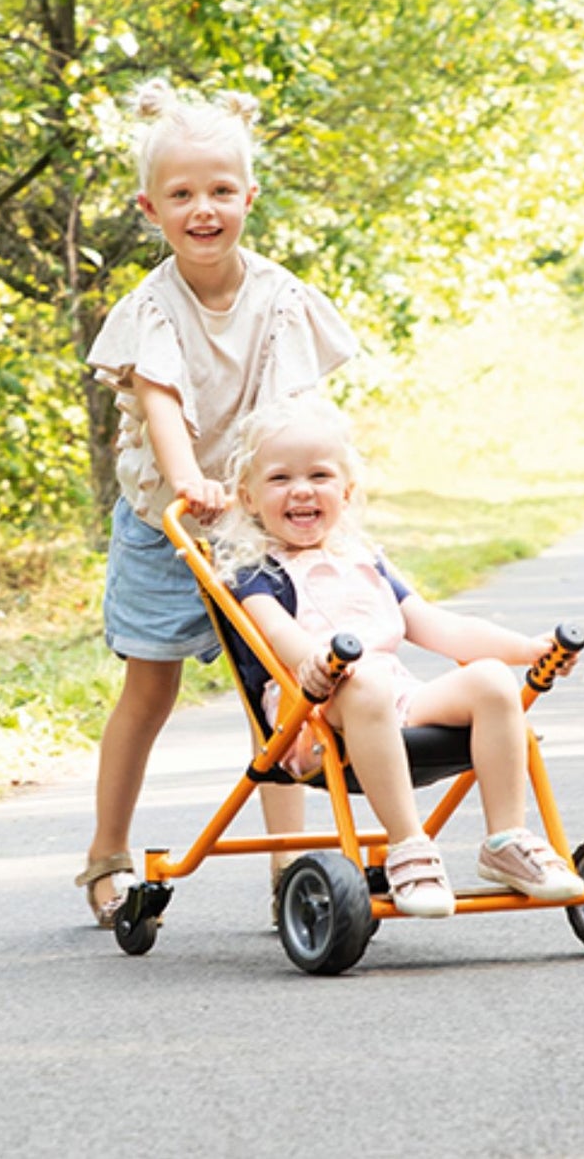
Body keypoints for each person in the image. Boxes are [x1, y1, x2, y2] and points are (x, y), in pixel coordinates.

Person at [76, 79, 356, 927]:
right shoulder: (150, 307)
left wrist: (291, 487)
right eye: (183, 195)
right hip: (170, 519)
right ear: (150, 208)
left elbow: (290, 410)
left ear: (248, 197)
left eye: (221, 192)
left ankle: (289, 871)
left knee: (282, 686)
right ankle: (107, 854)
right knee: (148, 688)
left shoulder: (280, 299)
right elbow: (163, 402)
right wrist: (192, 483)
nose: (204, 209)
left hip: (258, 519)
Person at [215, 394, 584, 918]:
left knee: (490, 680)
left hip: (394, 698)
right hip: (313, 714)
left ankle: (505, 839)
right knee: (362, 681)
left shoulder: (364, 562)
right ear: (249, 498)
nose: (301, 490)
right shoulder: (257, 573)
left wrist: (526, 650)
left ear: (346, 491)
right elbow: (277, 635)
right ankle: (408, 844)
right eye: (280, 479)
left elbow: (440, 626)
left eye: (319, 476)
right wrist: (315, 662)